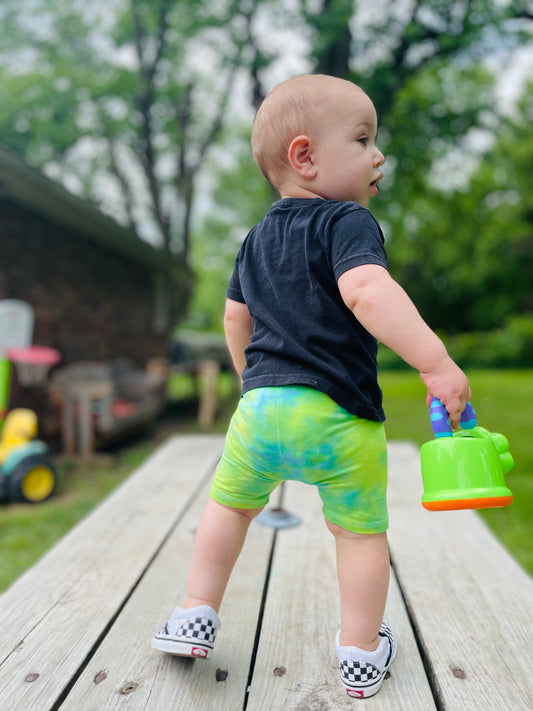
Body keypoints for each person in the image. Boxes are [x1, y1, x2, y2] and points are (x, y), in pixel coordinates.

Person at [152, 74, 471, 698]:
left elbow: (234, 318)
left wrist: (253, 382)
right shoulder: (347, 221)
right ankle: (360, 652)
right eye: (363, 139)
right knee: (358, 533)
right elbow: (367, 291)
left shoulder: (254, 239)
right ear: (305, 156)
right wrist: (435, 364)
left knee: (229, 508)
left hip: (259, 413)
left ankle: (194, 612)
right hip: (339, 417)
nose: (379, 155)